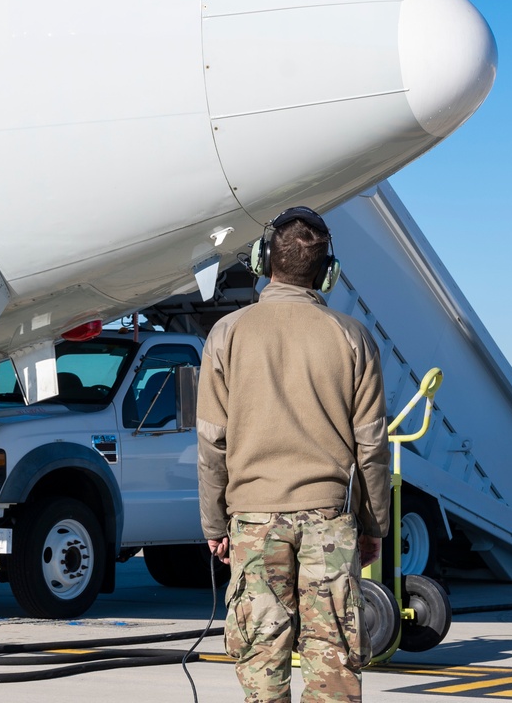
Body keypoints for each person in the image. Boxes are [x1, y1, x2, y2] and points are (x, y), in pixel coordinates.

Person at [197, 206, 390, 703]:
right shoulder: (352, 337)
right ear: (328, 272)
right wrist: (373, 527)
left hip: (254, 519)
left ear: (264, 261)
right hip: (330, 520)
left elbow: (212, 444)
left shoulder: (227, 335)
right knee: (334, 662)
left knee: (261, 660)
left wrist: (215, 526)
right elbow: (371, 446)